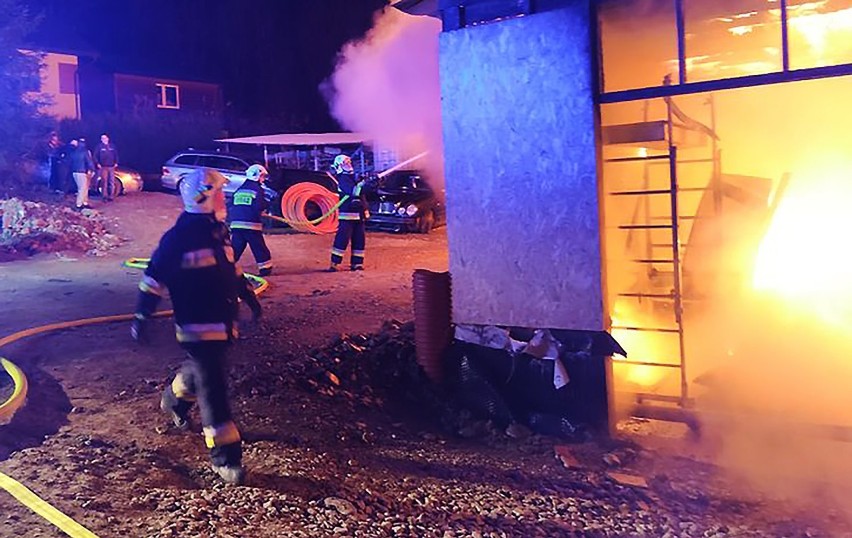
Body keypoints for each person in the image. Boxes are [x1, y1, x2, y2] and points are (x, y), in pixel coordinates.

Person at [130, 167, 262, 485]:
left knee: (200, 374)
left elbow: (232, 270)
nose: (224, 199)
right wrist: (141, 316)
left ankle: (174, 400)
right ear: (205, 197)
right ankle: (225, 458)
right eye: (219, 192)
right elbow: (152, 280)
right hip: (197, 328)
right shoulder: (178, 238)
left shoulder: (219, 231)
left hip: (223, 324)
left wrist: (250, 298)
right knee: (214, 389)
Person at [226, 164, 273, 276]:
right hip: (251, 225)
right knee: (258, 247)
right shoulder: (257, 189)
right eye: (263, 176)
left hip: (236, 225)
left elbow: (230, 204)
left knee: (236, 248)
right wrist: (266, 205)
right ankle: (265, 269)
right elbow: (259, 205)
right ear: (257, 176)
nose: (263, 179)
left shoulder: (239, 189)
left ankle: (226, 268)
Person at [327, 154, 368, 272]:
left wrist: (372, 183)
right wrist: (363, 184)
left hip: (359, 216)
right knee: (342, 239)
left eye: (349, 162)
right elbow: (353, 191)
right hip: (347, 216)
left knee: (359, 240)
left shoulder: (353, 177)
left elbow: (363, 194)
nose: (349, 165)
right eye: (346, 163)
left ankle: (357, 263)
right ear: (339, 166)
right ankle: (334, 263)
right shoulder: (343, 179)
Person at [68, 139, 95, 209]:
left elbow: (70, 161)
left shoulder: (73, 152)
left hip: (75, 172)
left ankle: (85, 202)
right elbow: (89, 161)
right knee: (82, 188)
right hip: (82, 171)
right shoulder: (85, 152)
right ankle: (79, 204)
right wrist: (92, 169)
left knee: (84, 187)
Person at [93, 133, 119, 202]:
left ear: (108, 138)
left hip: (111, 166)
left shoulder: (112, 146)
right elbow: (95, 156)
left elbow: (116, 155)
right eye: (102, 138)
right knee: (104, 182)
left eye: (105, 138)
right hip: (103, 167)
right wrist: (97, 163)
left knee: (112, 182)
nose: (103, 139)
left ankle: (111, 196)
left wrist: (116, 162)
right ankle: (104, 196)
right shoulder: (99, 147)